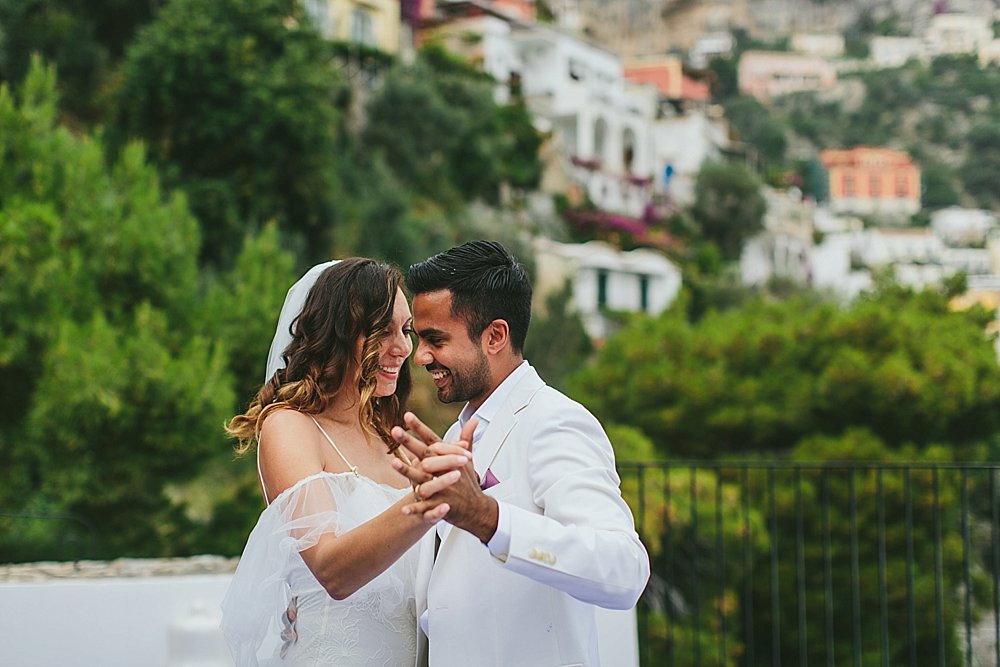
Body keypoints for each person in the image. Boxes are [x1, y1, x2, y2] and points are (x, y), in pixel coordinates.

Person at [391, 240, 651, 666]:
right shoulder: (454, 434)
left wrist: (488, 518)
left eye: (435, 339)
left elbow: (623, 569)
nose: (419, 357)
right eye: (419, 339)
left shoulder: (555, 421)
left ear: (495, 336)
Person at [219, 258, 464, 666]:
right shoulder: (291, 426)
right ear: (339, 332)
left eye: (405, 330)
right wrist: (428, 500)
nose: (403, 348)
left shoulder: (394, 439)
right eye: (383, 331)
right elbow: (331, 569)